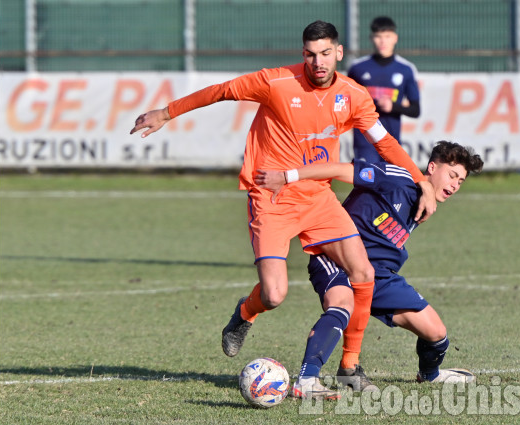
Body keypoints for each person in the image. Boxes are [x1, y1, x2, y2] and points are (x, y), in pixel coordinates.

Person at [130, 21, 437, 398]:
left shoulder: (353, 96)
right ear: (302, 53)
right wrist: (167, 112)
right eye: (310, 54)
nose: (317, 62)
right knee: (274, 294)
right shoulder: (276, 82)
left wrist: (420, 180)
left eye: (325, 54)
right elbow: (221, 91)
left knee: (363, 273)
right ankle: (245, 313)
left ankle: (349, 366)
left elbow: (384, 142)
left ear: (338, 53)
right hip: (272, 198)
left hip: (318, 199)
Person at [255, 141, 483, 398]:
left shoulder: (426, 203)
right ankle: (307, 380)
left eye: (460, 182)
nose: (454, 185)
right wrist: (287, 176)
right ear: (432, 167)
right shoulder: (396, 177)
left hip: (380, 275)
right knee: (341, 306)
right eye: (452, 175)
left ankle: (430, 375)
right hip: (337, 256)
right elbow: (340, 170)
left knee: (437, 335)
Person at [348, 16, 421, 163]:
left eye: (387, 36)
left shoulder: (406, 69)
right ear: (371, 38)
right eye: (378, 36)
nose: (383, 41)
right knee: (367, 184)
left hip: (391, 141)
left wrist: (393, 106)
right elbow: (347, 103)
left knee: (390, 185)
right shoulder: (357, 68)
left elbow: (415, 110)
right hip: (364, 141)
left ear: (395, 38)